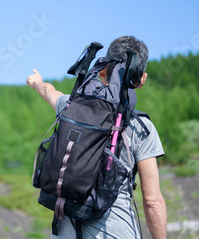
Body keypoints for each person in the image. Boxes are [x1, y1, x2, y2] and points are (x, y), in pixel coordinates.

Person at [26, 36, 167, 239]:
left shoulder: (70, 107)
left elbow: (49, 91)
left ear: (102, 71)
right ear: (141, 79)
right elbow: (153, 202)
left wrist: (36, 82)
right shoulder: (142, 128)